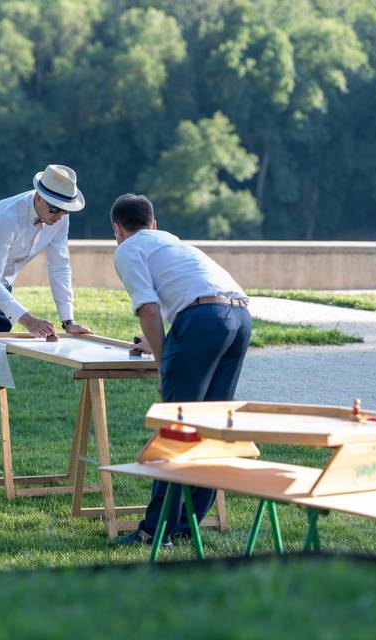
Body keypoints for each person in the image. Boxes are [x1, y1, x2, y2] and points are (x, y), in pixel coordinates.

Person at [109, 193, 251, 546]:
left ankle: (153, 532)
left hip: (203, 321)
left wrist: (163, 363)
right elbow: (193, 297)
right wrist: (169, 345)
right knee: (210, 427)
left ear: (118, 230)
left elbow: (149, 309)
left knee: (176, 428)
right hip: (239, 318)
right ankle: (187, 525)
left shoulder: (128, 249)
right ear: (153, 223)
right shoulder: (172, 242)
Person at [0, 165, 93, 481]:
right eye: (54, 208)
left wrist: (69, 320)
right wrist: (26, 319)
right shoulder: (7, 217)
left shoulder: (58, 220)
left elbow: (60, 266)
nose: (59, 216)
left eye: (66, 211)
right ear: (39, 197)